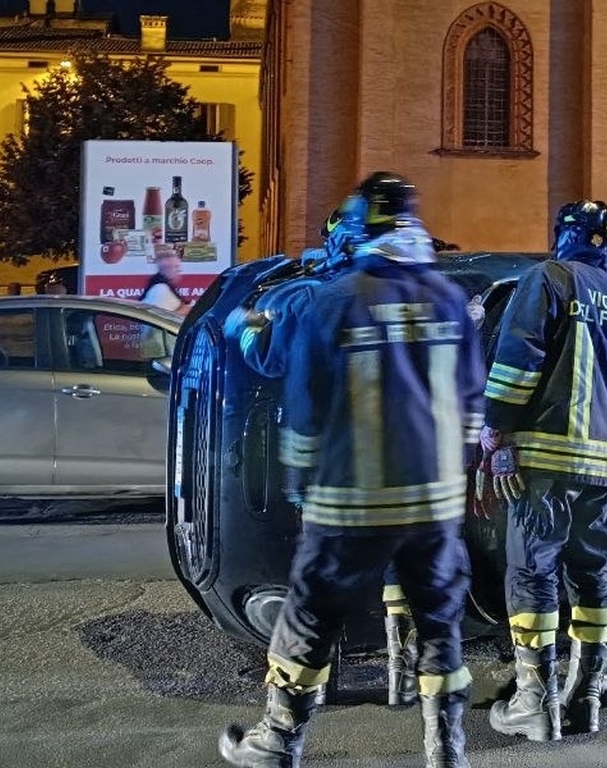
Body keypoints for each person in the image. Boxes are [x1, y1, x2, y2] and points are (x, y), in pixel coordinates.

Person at [219, 171, 486, 768]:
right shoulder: (448, 298)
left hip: (353, 499)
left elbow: (307, 399)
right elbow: (472, 398)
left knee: (311, 614)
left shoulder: (335, 299)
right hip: (435, 502)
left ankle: (278, 741)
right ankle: (447, 751)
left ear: (361, 229)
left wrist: (299, 480)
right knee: (440, 623)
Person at [477, 200, 607, 741]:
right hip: (604, 463)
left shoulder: (547, 278)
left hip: (546, 457)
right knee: (592, 574)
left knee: (532, 571)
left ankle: (534, 702)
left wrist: (496, 431)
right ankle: (585, 698)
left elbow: (517, 358)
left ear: (564, 236)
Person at [141, 250, 191, 316]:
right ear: (165, 268)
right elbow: (158, 319)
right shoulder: (160, 289)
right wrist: (184, 311)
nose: (179, 270)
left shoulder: (163, 286)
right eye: (176, 266)